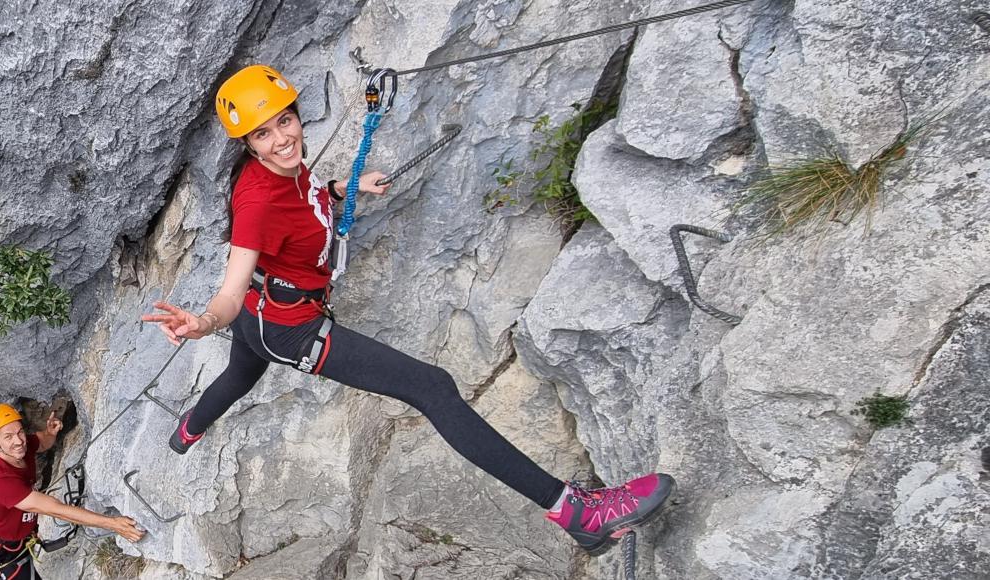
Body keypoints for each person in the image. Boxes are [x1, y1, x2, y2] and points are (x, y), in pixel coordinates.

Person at [140, 64, 674, 555]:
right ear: (247, 144)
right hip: (285, 325)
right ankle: (578, 513)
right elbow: (231, 289)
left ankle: (188, 430)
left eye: (285, 121)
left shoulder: (287, 167)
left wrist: (345, 187)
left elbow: (305, 194)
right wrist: (204, 321)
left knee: (240, 374)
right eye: (263, 134)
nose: (282, 139)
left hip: (265, 311)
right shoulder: (256, 201)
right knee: (432, 387)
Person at [0, 403, 144, 579]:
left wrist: (50, 433)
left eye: (20, 432)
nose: (18, 441)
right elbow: (56, 509)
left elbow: (41, 442)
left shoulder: (17, 448)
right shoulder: (0, 482)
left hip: (21, 531)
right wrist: (113, 524)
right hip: (5, 546)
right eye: (8, 437)